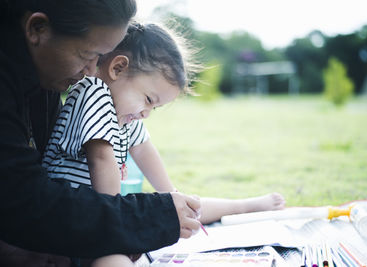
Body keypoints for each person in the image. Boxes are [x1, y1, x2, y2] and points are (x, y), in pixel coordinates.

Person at [42, 18, 285, 246]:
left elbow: (151, 161)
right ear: (118, 68)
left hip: (99, 215)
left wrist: (174, 198)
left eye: (154, 107)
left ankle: (244, 206)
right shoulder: (94, 91)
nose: (147, 112)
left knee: (180, 205)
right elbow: (101, 160)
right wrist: (121, 225)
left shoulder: (125, 116)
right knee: (114, 259)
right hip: (70, 219)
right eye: (148, 99)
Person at [0, 1, 201, 266]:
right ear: (38, 29)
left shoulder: (43, 82)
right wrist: (124, 224)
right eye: (88, 55)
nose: (94, 71)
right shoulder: (93, 91)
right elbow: (22, 199)